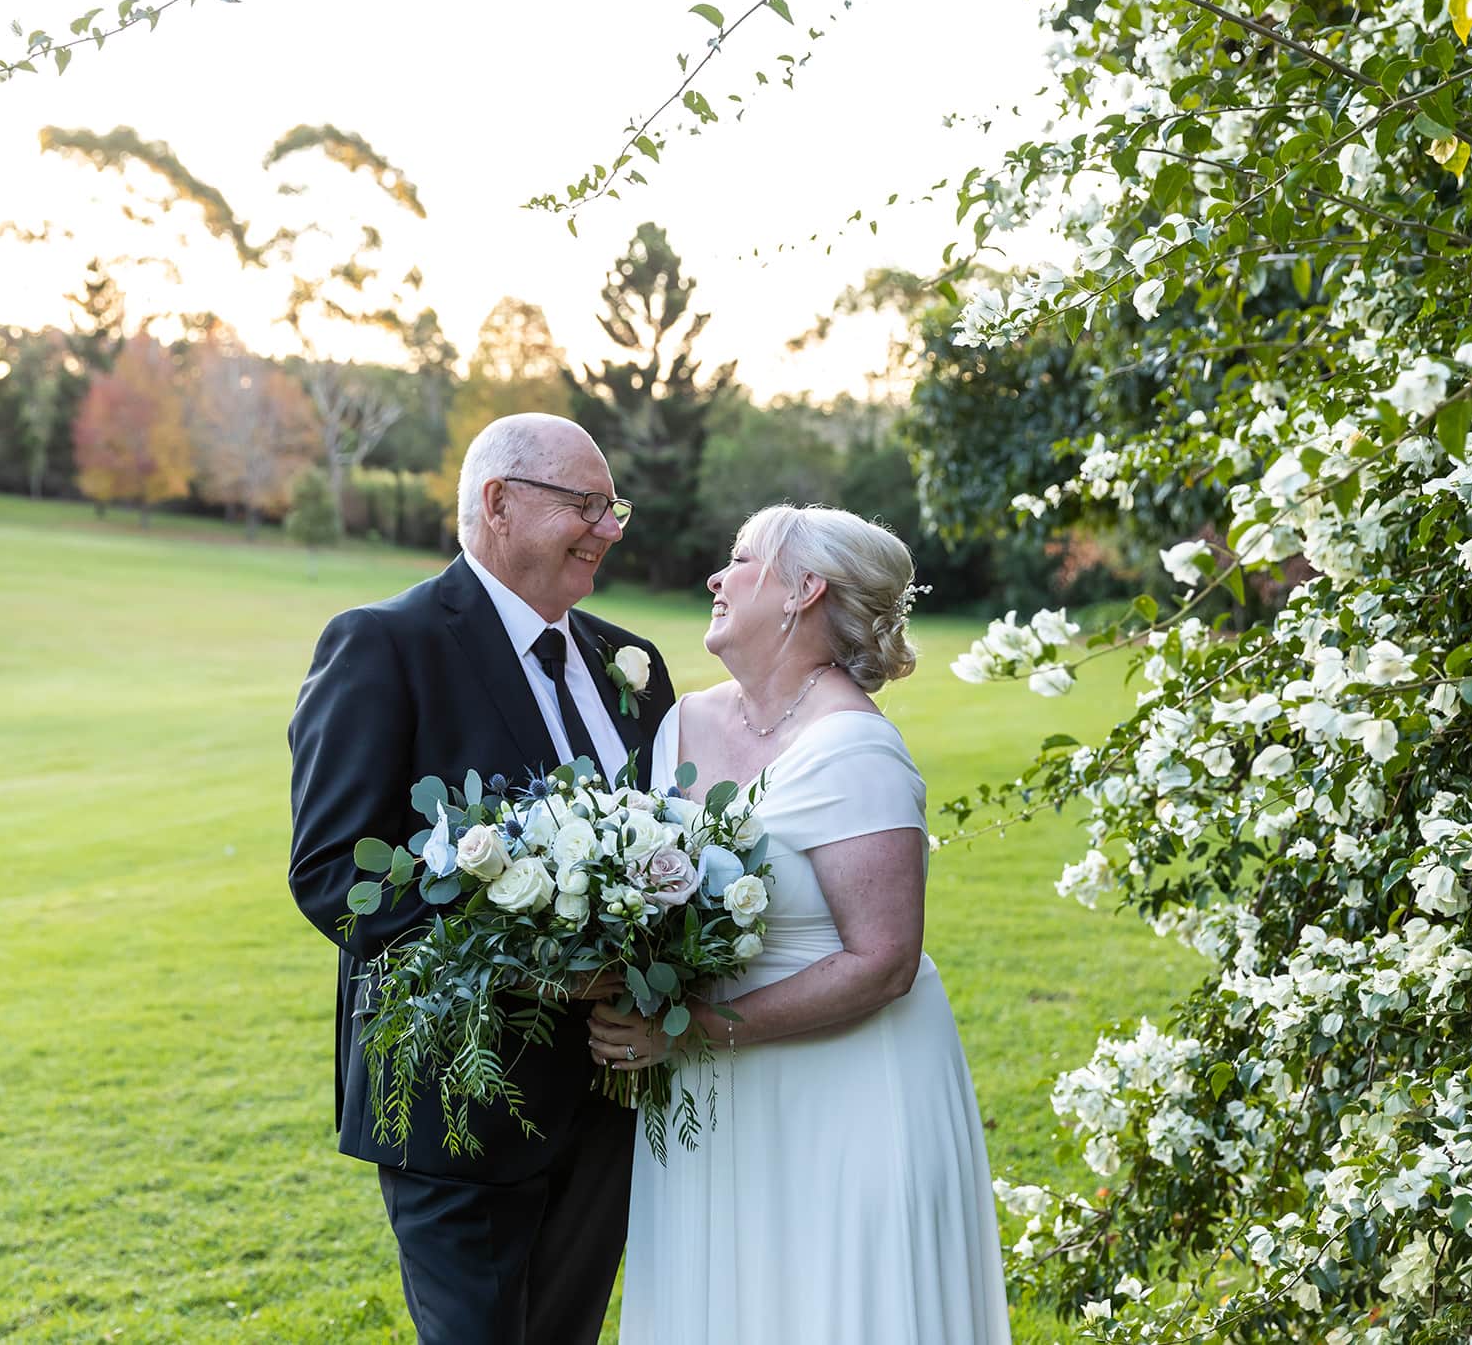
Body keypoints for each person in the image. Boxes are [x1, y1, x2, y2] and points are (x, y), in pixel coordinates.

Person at [287, 413, 676, 1345]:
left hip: (607, 1102)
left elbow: (672, 853)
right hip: (454, 1106)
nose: (610, 528)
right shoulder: (387, 645)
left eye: (612, 506)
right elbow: (336, 871)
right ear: (498, 503)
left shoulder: (633, 666)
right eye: (585, 504)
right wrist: (535, 966)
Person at [588, 504, 1012, 1345]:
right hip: (713, 1094)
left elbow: (885, 960)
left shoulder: (854, 748)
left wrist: (695, 1027)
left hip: (843, 1091)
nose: (717, 577)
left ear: (803, 590)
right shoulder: (684, 724)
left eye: (741, 560)